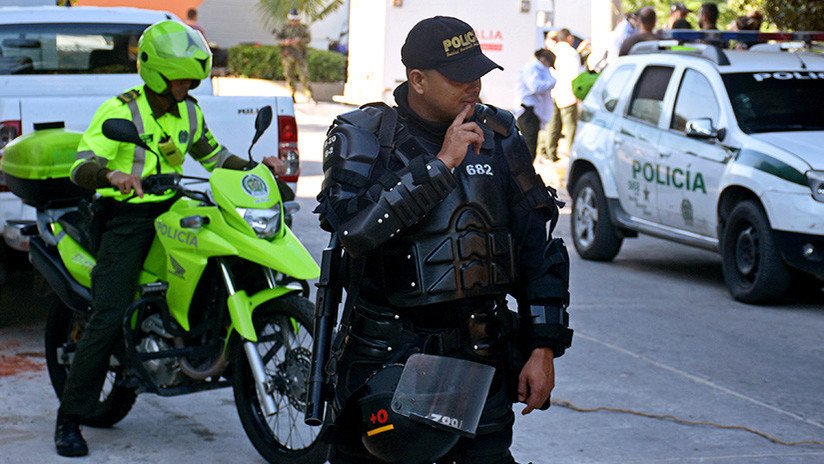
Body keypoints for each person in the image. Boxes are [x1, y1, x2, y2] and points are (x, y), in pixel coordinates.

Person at [315, 15, 572, 464]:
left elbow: (537, 247)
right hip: (386, 358)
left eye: (478, 74)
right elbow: (355, 234)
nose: (472, 87)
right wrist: (440, 165)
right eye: (459, 78)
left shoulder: (501, 136)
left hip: (481, 355)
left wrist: (543, 346)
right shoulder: (364, 136)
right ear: (417, 79)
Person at [54, 20, 287, 458]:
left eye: (193, 77)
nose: (189, 84)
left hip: (173, 205)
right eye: (182, 77)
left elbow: (213, 155)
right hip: (126, 216)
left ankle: (199, 332)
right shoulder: (121, 111)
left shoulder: (190, 110)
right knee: (108, 312)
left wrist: (255, 170)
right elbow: (81, 165)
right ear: (157, 73)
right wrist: (112, 175)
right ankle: (70, 418)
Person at [546, 28, 582, 162]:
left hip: (554, 91)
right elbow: (575, 76)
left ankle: (550, 152)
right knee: (570, 126)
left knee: (553, 124)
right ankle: (571, 154)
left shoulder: (553, 51)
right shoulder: (572, 53)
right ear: (568, 38)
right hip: (568, 93)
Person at [514, 48, 556, 161]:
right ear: (543, 59)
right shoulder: (531, 68)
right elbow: (535, 87)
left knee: (531, 143)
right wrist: (551, 83)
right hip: (527, 110)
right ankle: (524, 173)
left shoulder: (539, 69)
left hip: (534, 110)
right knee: (528, 143)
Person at [275, 8, 314, 103]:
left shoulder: (303, 28)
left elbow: (308, 39)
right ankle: (291, 96)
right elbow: (277, 40)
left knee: (304, 76)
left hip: (300, 56)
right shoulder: (284, 28)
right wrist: (285, 42)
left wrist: (299, 40)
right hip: (288, 56)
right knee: (289, 76)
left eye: (296, 20)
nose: (294, 22)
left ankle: (309, 95)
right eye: (292, 20)